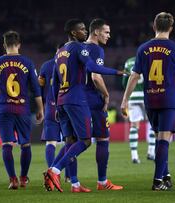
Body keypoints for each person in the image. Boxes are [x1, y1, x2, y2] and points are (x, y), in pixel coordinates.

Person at [44, 19, 123, 193]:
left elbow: (54, 84)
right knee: (94, 140)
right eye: (81, 29)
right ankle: (57, 171)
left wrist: (57, 106)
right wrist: (116, 73)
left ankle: (74, 183)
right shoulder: (85, 49)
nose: (84, 31)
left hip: (63, 100)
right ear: (73, 32)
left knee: (70, 141)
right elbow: (94, 73)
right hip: (85, 100)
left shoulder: (60, 52)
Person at [121, 12, 175, 191]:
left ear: (154, 27)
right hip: (168, 99)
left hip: (150, 99)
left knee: (159, 137)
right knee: (164, 139)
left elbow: (133, 76)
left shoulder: (143, 49)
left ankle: (166, 175)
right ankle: (157, 181)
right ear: (171, 28)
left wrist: (125, 99)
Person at [0, 30, 44, 190]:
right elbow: (35, 88)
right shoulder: (27, 62)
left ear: (4, 45)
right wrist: (40, 108)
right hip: (22, 108)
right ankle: (23, 178)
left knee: (7, 144)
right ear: (19, 44)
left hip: (4, 108)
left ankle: (12, 179)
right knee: (25, 145)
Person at [84, 18, 123, 190]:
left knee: (74, 141)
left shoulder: (78, 48)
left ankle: (71, 179)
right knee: (102, 139)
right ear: (96, 32)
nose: (109, 35)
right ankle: (102, 182)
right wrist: (106, 95)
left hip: (76, 100)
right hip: (93, 100)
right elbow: (95, 76)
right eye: (106, 32)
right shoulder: (96, 50)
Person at [38, 43, 70, 182]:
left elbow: (40, 87)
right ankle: (69, 176)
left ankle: (51, 174)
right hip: (68, 106)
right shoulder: (71, 63)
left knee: (50, 143)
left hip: (51, 107)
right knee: (70, 142)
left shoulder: (46, 66)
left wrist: (42, 104)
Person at [122, 56, 156, 163]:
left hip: (133, 97)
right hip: (147, 96)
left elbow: (124, 81)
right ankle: (151, 152)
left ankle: (134, 156)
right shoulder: (148, 60)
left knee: (134, 126)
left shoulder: (128, 62)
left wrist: (127, 95)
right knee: (152, 125)